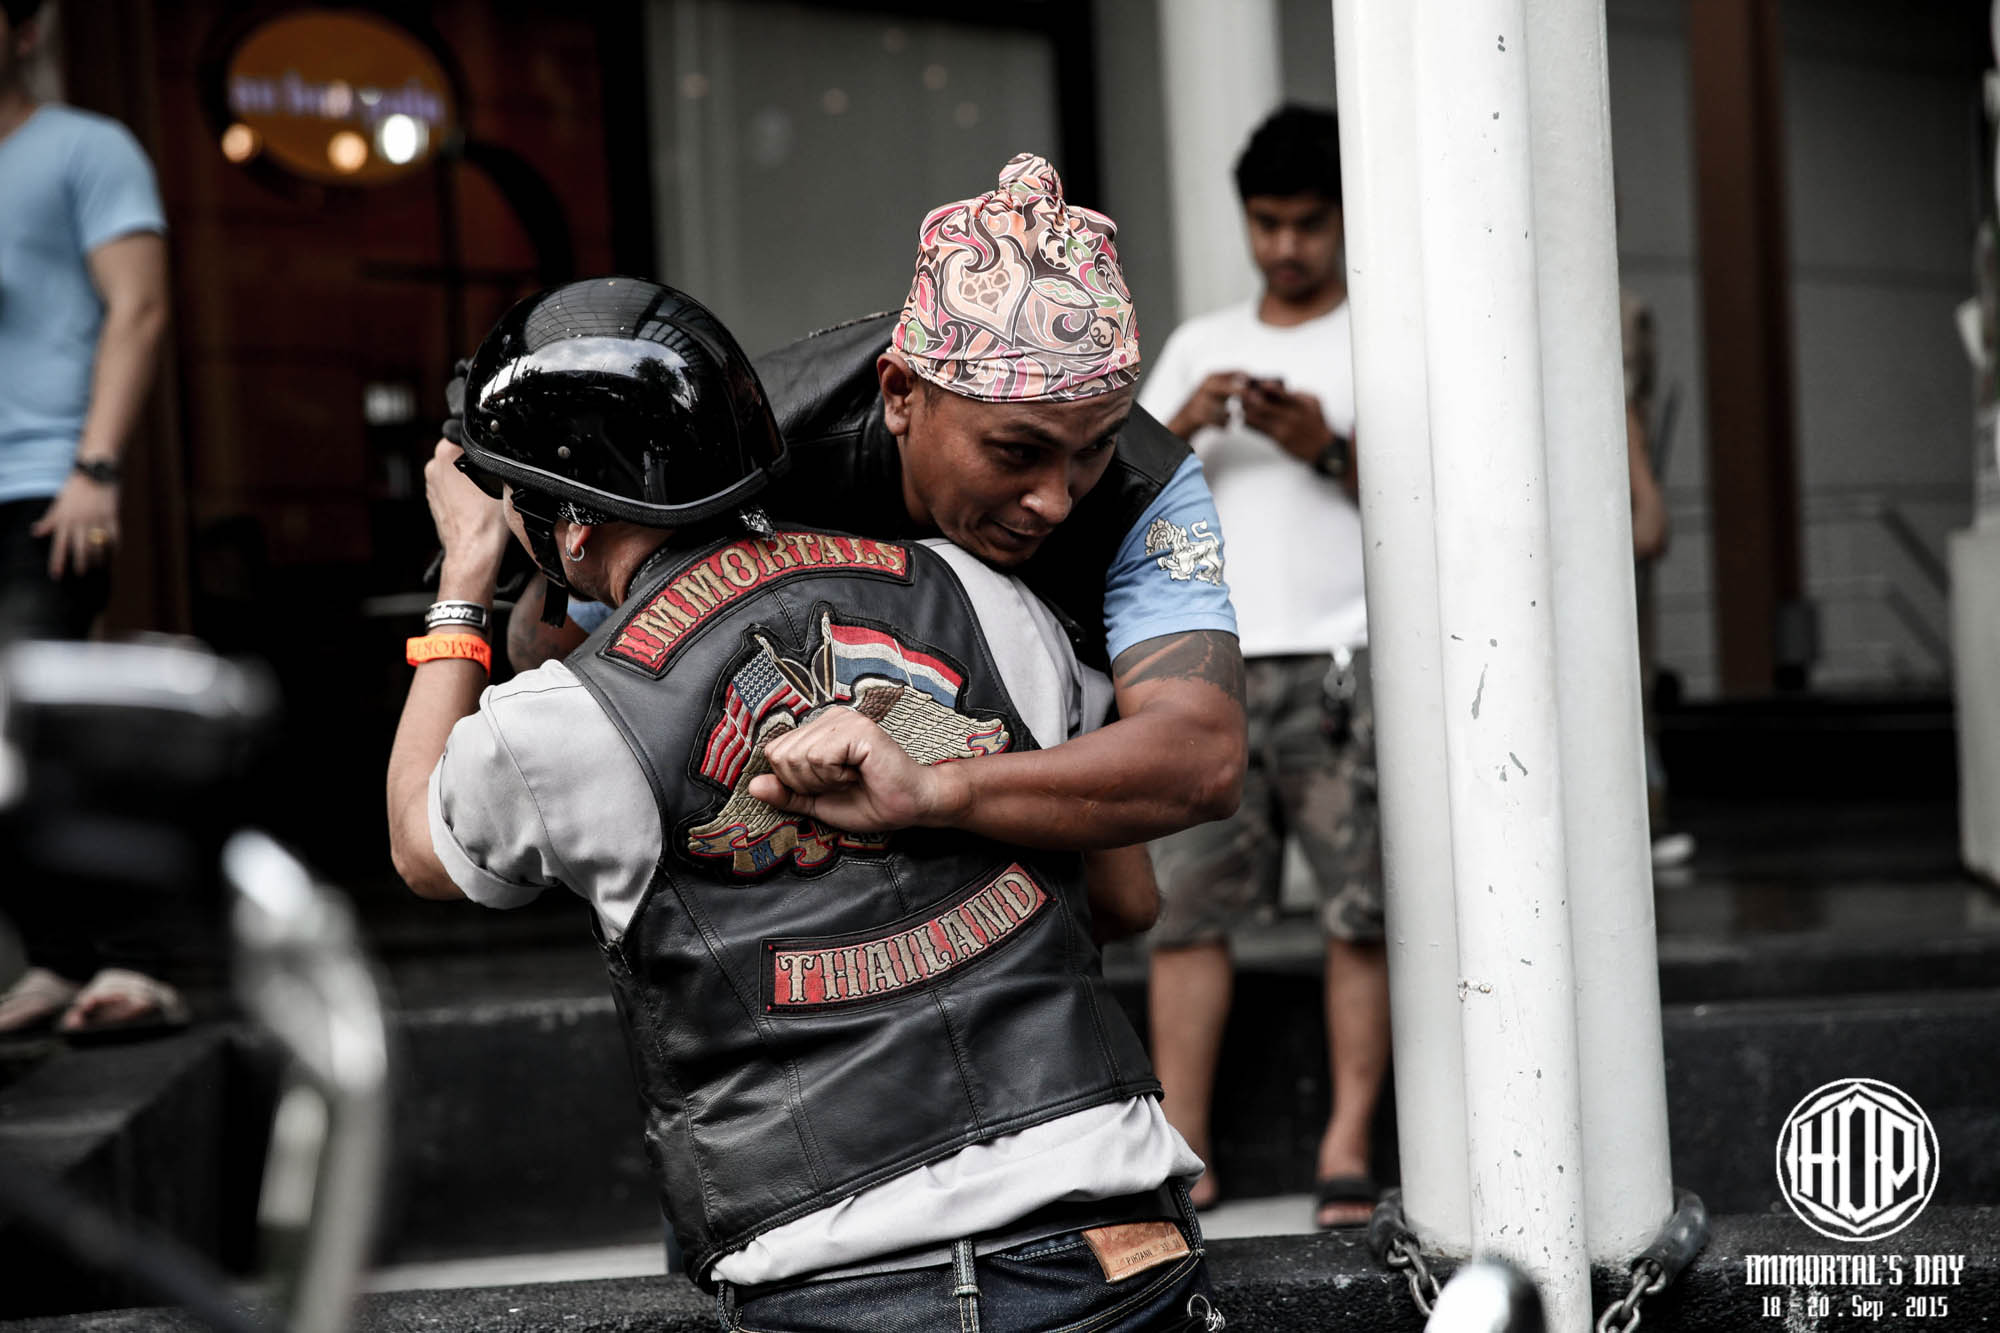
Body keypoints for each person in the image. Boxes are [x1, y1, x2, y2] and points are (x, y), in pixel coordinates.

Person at [388, 278, 1223, 1332]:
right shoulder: (991, 597)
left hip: (836, 1269)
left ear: (570, 525)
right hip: (1112, 1239)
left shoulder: (562, 722)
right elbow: (1127, 897)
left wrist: (464, 580)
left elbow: (420, 845)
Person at [504, 153, 1248, 859]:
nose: (1056, 501)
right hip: (787, 860)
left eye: (1095, 447)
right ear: (900, 394)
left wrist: (937, 789)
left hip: (1023, 829)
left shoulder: (1151, 486)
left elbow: (1204, 758)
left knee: (1125, 898)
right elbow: (550, 649)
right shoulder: (754, 447)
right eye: (1017, 452)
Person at [1135, 104, 1388, 1229]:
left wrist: (1321, 446)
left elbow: (1440, 501)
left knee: (1361, 909)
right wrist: (1183, 423)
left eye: (1307, 223)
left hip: (1349, 662)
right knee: (1186, 911)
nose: (1284, 245)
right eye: (1266, 222)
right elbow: (1113, 495)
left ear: (1342, 219)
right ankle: (1182, 1150)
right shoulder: (1200, 344)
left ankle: (1346, 1144)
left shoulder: (1382, 335)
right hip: (1209, 670)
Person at [0, 0, 179, 1037]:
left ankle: (133, 960)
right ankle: (57, 961)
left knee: (55, 725)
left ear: (27, 31)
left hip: (49, 491)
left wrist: (96, 465)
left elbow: (139, 308)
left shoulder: (86, 149)